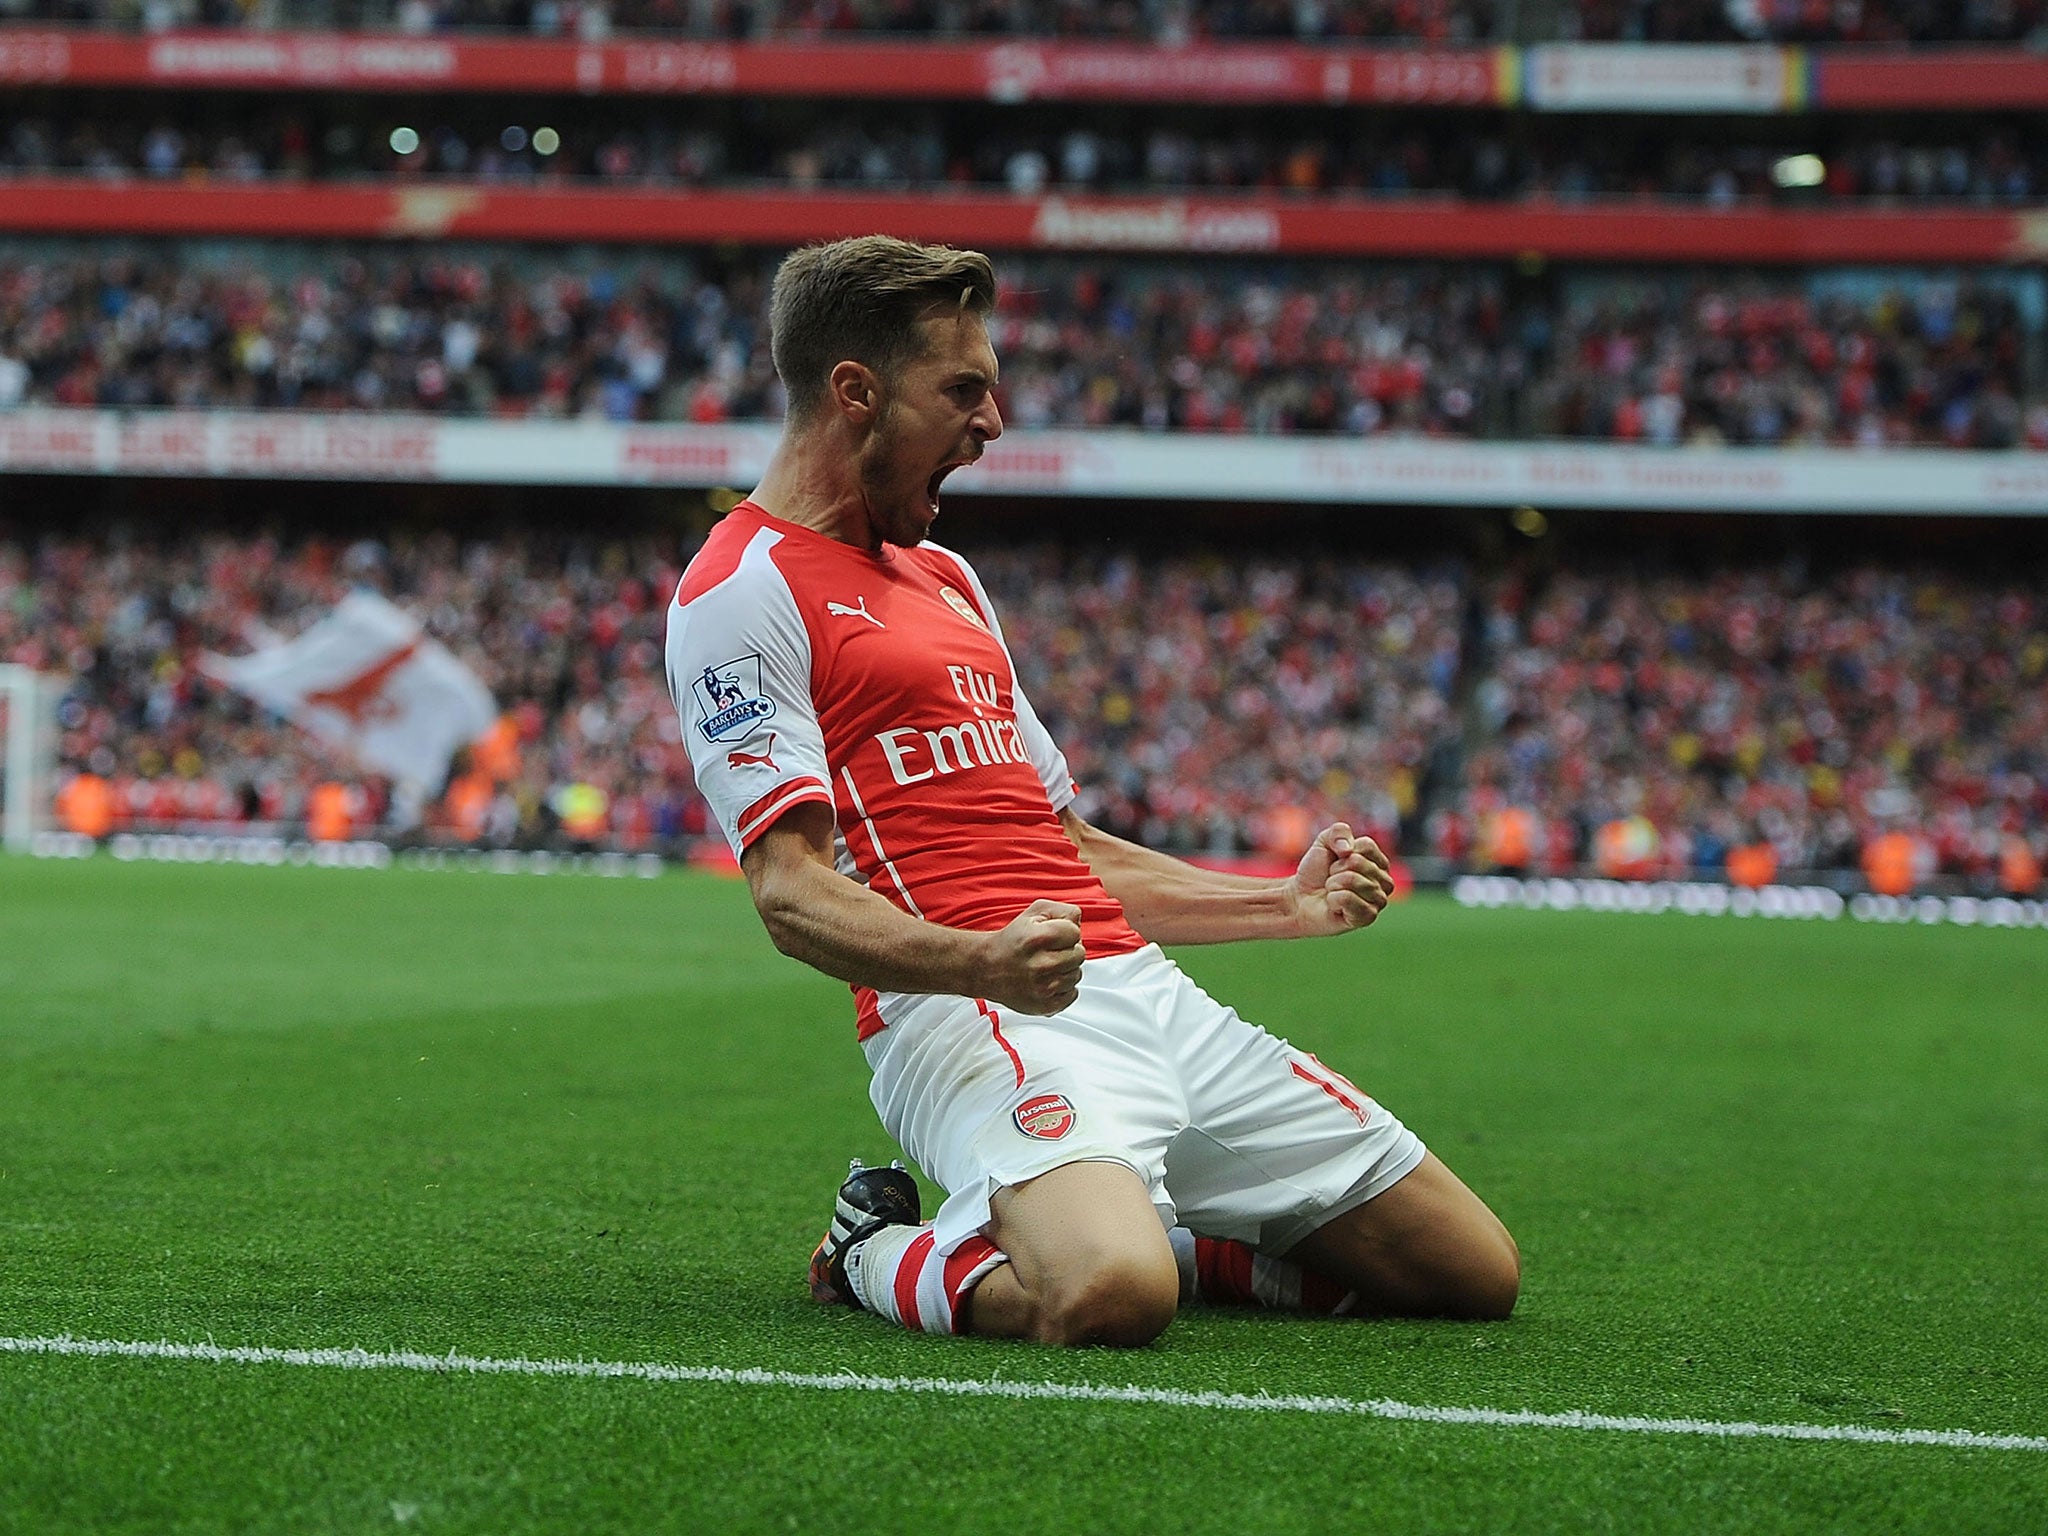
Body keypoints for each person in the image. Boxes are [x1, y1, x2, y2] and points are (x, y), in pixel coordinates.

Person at [663, 235, 1518, 1347]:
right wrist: (978, 962)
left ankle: (1173, 1238)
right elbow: (788, 892)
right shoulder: (741, 587)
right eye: (962, 391)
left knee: (1467, 1273)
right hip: (972, 1009)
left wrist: (1281, 905)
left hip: (1140, 994)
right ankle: (868, 1248)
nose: (991, 423)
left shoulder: (947, 578)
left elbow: (1068, 850)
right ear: (854, 393)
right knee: (1108, 1301)